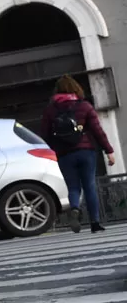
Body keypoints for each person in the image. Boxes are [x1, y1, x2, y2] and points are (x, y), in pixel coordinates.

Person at [42, 75, 117, 233]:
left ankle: (75, 208)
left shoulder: (50, 110)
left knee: (73, 188)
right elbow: (98, 131)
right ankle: (95, 223)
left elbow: (45, 134)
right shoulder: (84, 106)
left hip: (64, 155)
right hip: (86, 151)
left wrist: (56, 149)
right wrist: (109, 150)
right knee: (90, 186)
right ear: (76, 89)